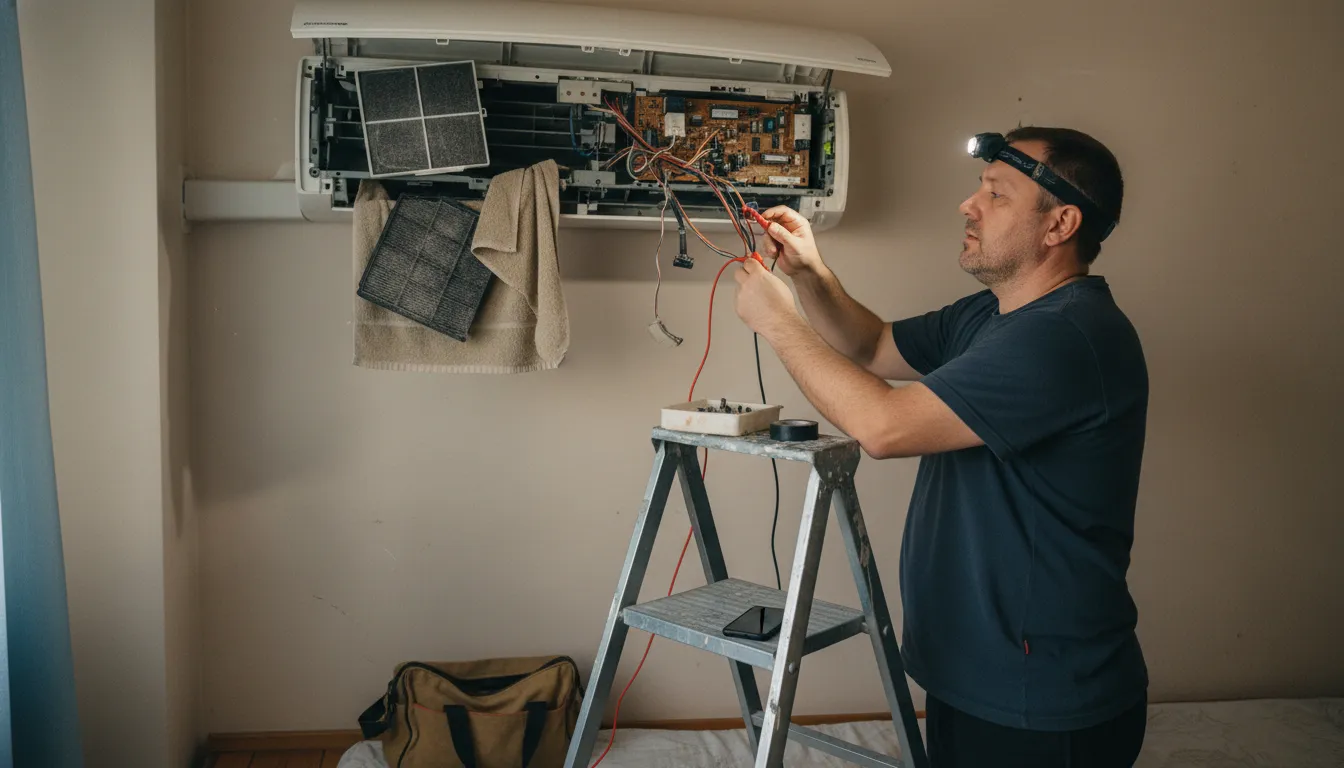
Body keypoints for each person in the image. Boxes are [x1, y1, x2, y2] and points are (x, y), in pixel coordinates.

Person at [732, 126, 1149, 768]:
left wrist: (778, 320)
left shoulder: (1066, 337)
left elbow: (884, 426)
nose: (968, 205)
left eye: (997, 194)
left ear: (1059, 223)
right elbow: (871, 345)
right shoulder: (991, 316)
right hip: (975, 675)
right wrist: (809, 273)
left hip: (1040, 699)